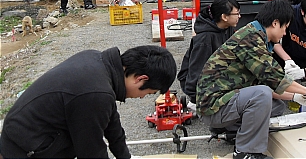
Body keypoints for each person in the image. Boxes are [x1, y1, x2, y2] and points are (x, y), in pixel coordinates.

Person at [196, 0, 306, 159]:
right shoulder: (251, 40)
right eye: (285, 27)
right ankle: (246, 152)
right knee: (262, 95)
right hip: (213, 107)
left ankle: (233, 132)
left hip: (224, 102)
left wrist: (296, 97)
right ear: (275, 23)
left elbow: (267, 85)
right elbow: (275, 79)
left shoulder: (256, 35)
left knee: (276, 106)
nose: (285, 33)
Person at [0, 45, 176, 158]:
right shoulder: (95, 92)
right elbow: (91, 151)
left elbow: (112, 124)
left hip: (32, 135)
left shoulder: (99, 64)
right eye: (147, 92)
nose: (141, 97)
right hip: (26, 148)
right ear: (140, 79)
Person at [177, 0, 241, 113]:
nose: (239, 17)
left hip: (215, 73)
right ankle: (196, 104)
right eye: (236, 14)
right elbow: (196, 69)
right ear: (224, 17)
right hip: (198, 82)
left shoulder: (227, 28)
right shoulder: (205, 38)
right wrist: (195, 97)